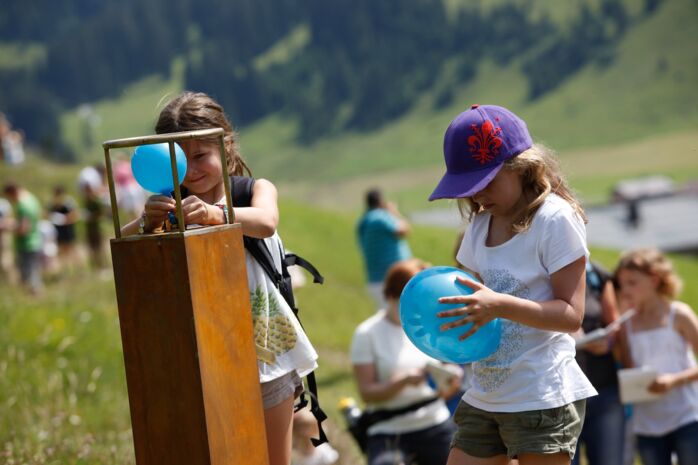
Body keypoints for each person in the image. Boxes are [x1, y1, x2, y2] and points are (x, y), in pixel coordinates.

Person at [120, 91, 318, 465]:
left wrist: (214, 214)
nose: (192, 170)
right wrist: (148, 223)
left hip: (264, 351)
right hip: (201, 354)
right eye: (180, 159)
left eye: (200, 156)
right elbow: (123, 241)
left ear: (226, 148)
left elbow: (265, 222)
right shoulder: (169, 207)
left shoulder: (252, 191)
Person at [428, 104, 597, 465]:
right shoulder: (479, 226)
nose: (477, 197)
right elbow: (474, 298)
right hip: (486, 392)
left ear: (523, 168)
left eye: (486, 183)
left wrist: (500, 305)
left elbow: (571, 316)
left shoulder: (555, 220)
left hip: (541, 396)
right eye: (468, 189)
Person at [350, 258, 458, 465]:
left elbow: (444, 384)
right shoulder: (367, 333)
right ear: (393, 295)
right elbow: (367, 394)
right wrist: (403, 381)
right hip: (390, 429)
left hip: (435, 421)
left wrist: (449, 378)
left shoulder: (425, 327)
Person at [614, 248, 698, 465]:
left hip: (687, 416)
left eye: (632, 282)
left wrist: (673, 381)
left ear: (654, 279)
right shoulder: (626, 325)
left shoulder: (679, 314)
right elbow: (628, 369)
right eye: (622, 284)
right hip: (647, 424)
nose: (626, 290)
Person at [571, 260, 629, 465]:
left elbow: (614, 323)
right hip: (563, 397)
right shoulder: (539, 270)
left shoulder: (596, 274)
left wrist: (608, 340)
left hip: (603, 392)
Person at [356, 188, 412, 309]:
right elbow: (403, 230)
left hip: (374, 278)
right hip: (394, 279)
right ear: (381, 201)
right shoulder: (381, 217)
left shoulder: (363, 221)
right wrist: (394, 212)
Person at [3, 183, 44, 295]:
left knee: (28, 274)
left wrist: (8, 226)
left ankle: (33, 297)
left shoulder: (22, 205)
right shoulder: (31, 198)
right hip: (36, 239)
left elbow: (23, 229)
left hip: (26, 243)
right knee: (34, 271)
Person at [48, 185, 80, 273]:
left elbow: (75, 215)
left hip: (68, 229)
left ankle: (77, 270)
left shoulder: (68, 202)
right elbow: (48, 214)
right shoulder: (52, 203)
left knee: (72, 250)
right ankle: (65, 270)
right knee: (61, 251)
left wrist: (66, 219)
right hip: (58, 231)